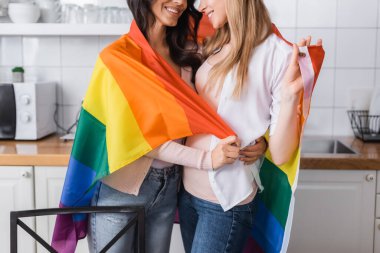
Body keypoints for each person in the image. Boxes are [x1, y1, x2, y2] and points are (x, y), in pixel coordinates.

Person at [86, 1, 268, 253]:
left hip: (171, 186)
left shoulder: (191, 52)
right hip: (122, 189)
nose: (180, 2)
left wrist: (260, 139)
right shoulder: (119, 58)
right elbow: (142, 138)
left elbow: (230, 99)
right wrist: (206, 159)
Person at [178, 0, 323, 253]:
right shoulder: (216, 42)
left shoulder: (277, 55)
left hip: (225, 202)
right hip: (189, 193)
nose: (201, 6)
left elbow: (280, 154)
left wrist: (290, 98)